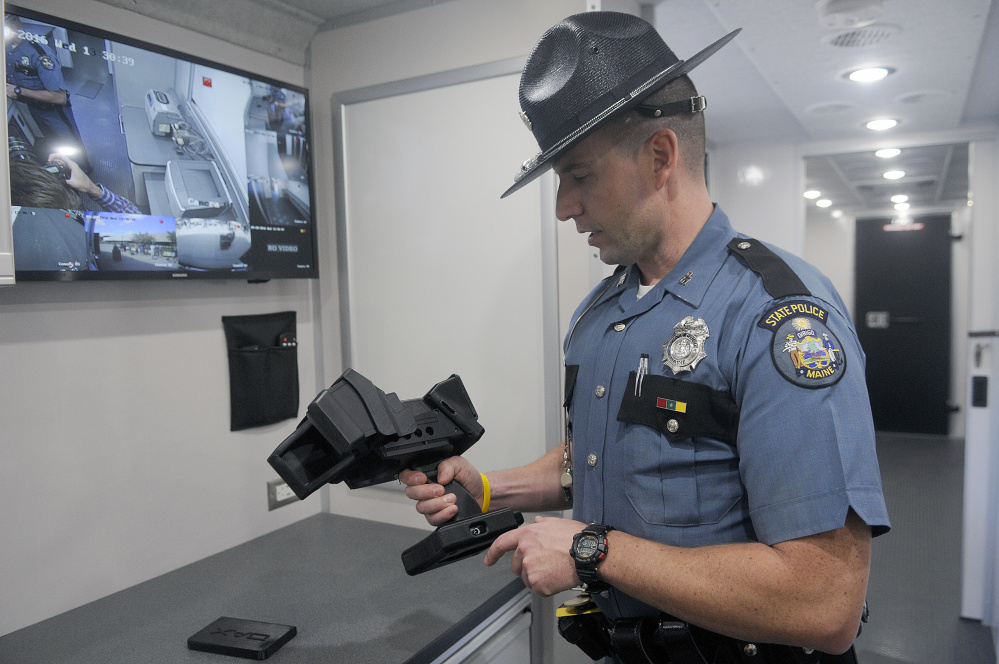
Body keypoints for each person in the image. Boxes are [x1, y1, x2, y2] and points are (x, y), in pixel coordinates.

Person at [401, 11, 890, 664]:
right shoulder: (599, 315)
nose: (562, 207)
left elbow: (823, 602)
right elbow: (603, 459)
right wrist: (487, 488)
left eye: (578, 175)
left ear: (660, 156)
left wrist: (589, 550)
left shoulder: (777, 316)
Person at [5, 14, 91, 172]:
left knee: (71, 144)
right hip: (34, 108)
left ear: (16, 26)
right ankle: (62, 168)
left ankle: (84, 171)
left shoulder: (39, 54)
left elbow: (60, 97)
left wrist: (18, 91)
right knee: (52, 141)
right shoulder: (7, 49)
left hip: (54, 111)